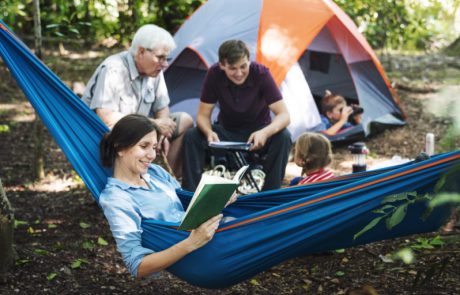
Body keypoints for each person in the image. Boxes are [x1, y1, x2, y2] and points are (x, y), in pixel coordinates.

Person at [98, 114, 224, 278]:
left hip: (215, 231)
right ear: (120, 148)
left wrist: (220, 199)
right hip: (202, 250)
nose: (152, 155)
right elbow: (137, 266)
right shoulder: (117, 198)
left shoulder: (155, 172)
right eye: (144, 146)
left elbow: (186, 203)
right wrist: (191, 243)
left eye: (154, 147)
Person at [82, 24, 193, 177]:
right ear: (141, 51)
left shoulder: (155, 71)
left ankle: (167, 181)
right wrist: (154, 124)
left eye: (167, 58)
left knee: (185, 120)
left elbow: (162, 107)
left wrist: (162, 132)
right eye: (160, 57)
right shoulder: (114, 69)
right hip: (111, 136)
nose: (165, 64)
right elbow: (105, 116)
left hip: (143, 133)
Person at [181, 40, 292, 191]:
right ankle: (191, 193)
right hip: (226, 132)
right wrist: (209, 132)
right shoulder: (214, 74)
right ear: (222, 65)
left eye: (243, 66)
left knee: (284, 136)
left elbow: (284, 115)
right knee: (192, 136)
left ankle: (270, 192)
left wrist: (265, 132)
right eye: (233, 68)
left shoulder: (261, 73)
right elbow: (202, 115)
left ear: (249, 61)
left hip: (258, 132)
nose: (239, 73)